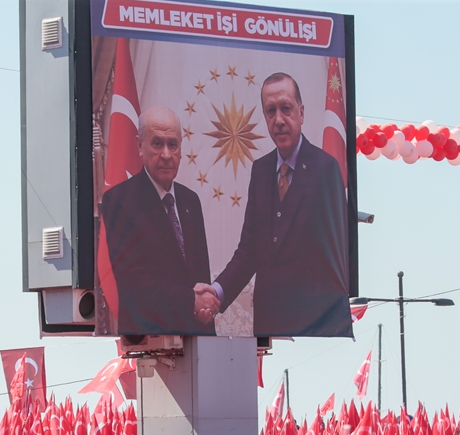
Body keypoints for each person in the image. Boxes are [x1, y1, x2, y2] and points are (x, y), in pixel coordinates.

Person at [194, 72, 354, 337]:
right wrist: (217, 293)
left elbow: (336, 255)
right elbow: (249, 251)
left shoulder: (326, 168)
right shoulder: (260, 170)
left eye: (286, 109)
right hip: (270, 329)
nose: (279, 120)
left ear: (301, 113)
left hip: (314, 329)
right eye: (271, 111)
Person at [100, 105, 216, 335]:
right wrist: (190, 301)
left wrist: (206, 306)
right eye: (157, 143)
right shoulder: (119, 201)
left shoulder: (190, 201)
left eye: (172, 144)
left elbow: (200, 277)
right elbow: (132, 283)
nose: (166, 154)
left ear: (181, 149)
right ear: (139, 147)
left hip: (198, 342)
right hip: (151, 343)